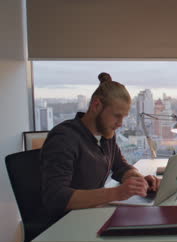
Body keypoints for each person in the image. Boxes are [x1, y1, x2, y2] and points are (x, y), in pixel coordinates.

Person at [41, 73, 161, 221]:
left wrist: (139, 181)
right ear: (96, 106)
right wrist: (117, 193)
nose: (120, 123)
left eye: (124, 117)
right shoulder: (64, 139)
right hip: (66, 223)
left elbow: (120, 167)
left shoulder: (106, 134)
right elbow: (56, 197)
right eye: (117, 116)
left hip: (91, 215)